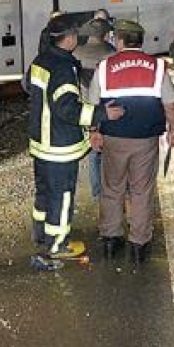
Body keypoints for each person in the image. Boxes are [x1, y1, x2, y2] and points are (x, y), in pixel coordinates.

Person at [25, 16, 124, 271]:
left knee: (44, 192)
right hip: (59, 146)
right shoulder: (62, 67)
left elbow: (28, 87)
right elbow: (68, 109)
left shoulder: (41, 60)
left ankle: (41, 234)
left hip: (40, 142)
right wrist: (101, 114)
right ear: (68, 38)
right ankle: (58, 244)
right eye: (75, 35)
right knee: (62, 194)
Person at [88, 19, 174, 262]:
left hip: (113, 137)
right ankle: (139, 244)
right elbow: (170, 104)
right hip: (146, 139)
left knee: (112, 188)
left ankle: (111, 239)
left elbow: (93, 103)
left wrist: (93, 131)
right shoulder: (157, 67)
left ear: (119, 40)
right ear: (140, 41)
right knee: (141, 190)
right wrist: (173, 130)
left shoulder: (105, 66)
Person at [73, 17, 116, 200]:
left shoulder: (76, 53)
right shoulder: (112, 54)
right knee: (112, 151)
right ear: (105, 34)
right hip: (107, 108)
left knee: (93, 151)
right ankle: (113, 189)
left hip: (86, 108)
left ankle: (97, 191)